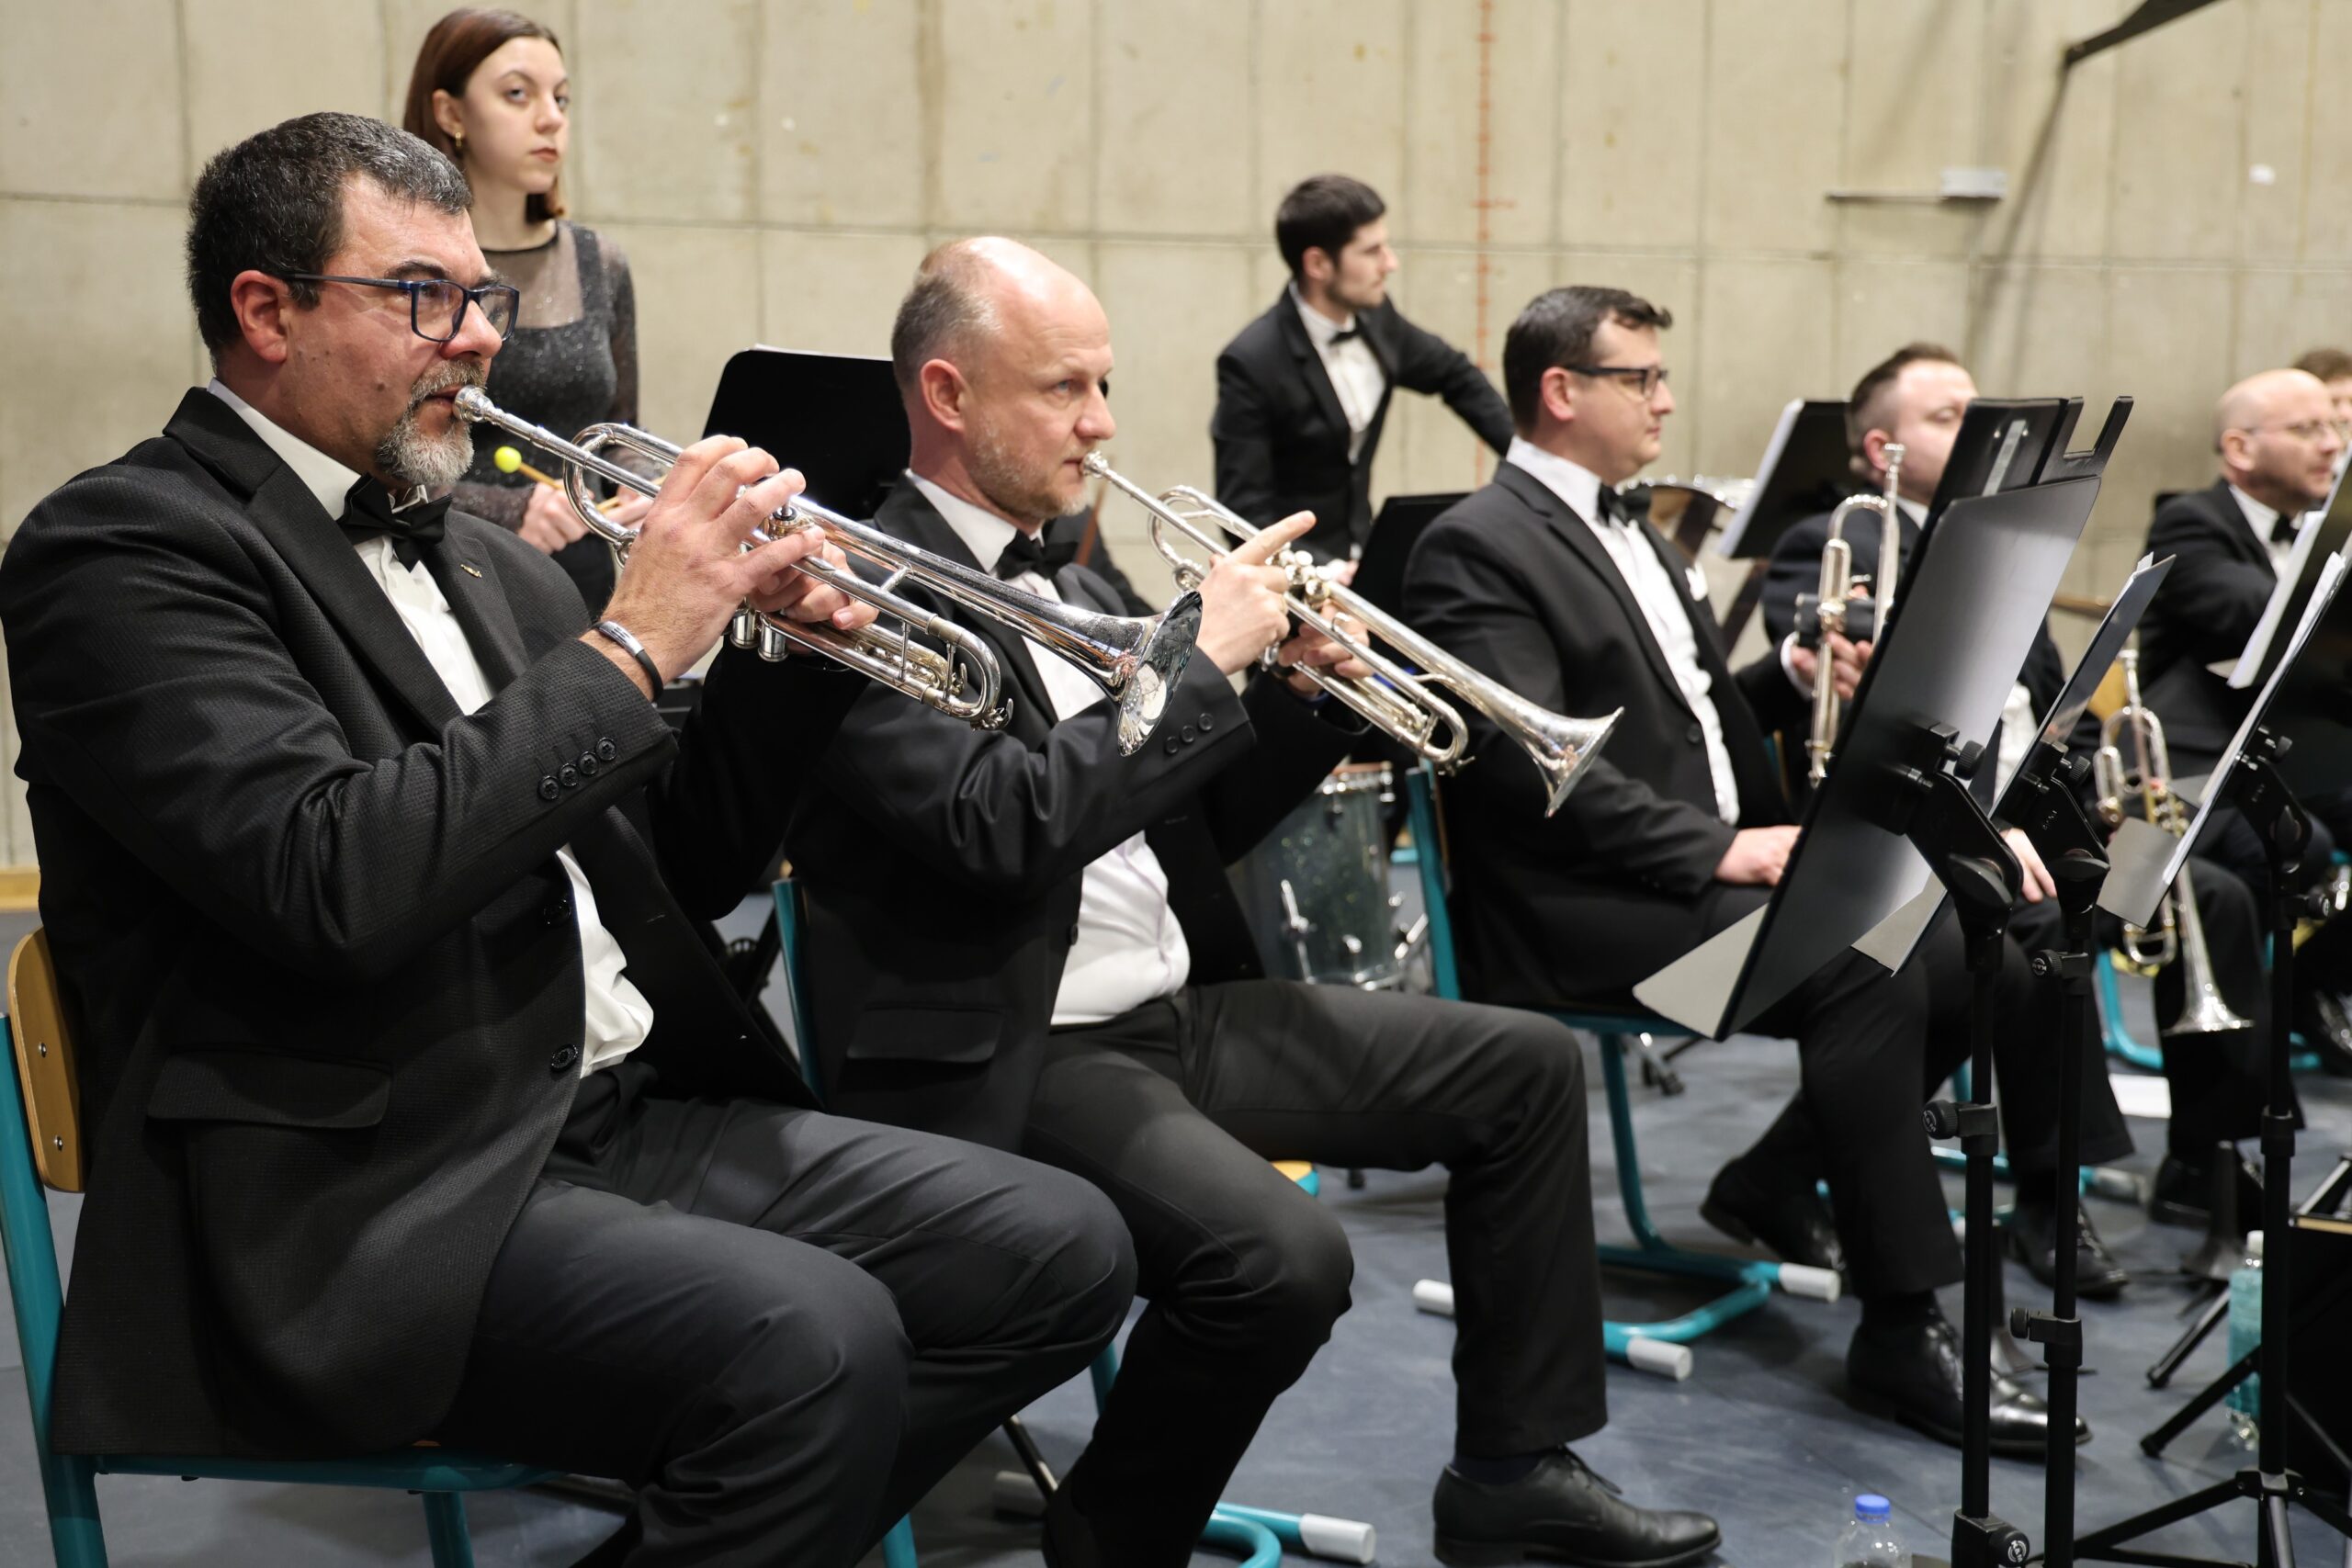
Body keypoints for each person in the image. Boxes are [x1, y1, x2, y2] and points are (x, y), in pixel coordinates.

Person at [0, 114, 1137, 1568]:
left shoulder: (490, 557)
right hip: (370, 1189)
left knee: (1063, 1249)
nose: (481, 336)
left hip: (613, 1108)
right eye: (423, 295)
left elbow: (684, 870)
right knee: (818, 1344)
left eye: (480, 295)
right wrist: (630, 643)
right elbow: (328, 881)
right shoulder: (123, 548)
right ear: (268, 312)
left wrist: (790, 663)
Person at [784, 238, 1721, 1568]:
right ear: (948, 394)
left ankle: (1514, 1472)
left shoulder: (1082, 583)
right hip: (1010, 1047)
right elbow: (1002, 830)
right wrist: (1198, 667)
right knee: (1281, 1258)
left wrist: (1296, 692)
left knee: (1520, 1069)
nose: (1102, 424)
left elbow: (1196, 824)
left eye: (1104, 386)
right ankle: (1113, 1543)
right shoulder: (855, 588)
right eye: (1064, 389)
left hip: (1170, 1011)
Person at [1405, 286, 2087, 1455]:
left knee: (1976, 948)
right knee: (1866, 959)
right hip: (1581, 908)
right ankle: (1903, 1324)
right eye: (1640, 378)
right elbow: (1527, 769)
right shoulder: (1477, 544)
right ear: (1561, 392)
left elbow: (1692, 718)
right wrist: (1718, 847)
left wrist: (1789, 672)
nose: (1665, 400)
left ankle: (1777, 1180)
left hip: (1693, 878)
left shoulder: (1641, 534)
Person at [1760, 343, 2265, 1282]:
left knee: (2208, 892)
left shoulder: (2004, 547)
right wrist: (1829, 644)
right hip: (1920, 839)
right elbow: (1816, 633)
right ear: (1881, 450)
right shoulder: (1838, 539)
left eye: (1978, 407)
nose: (1984, 429)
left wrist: (2093, 795)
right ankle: (2046, 1198)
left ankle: (2208, 1164)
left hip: (2031, 818)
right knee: (2037, 929)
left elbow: (2051, 710)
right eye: (1947, 416)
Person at [2136, 366, 2352, 1086]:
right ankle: (2245, 1070)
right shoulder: (2190, 521)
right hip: (2203, 763)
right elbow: (2267, 617)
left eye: (2335, 426)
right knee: (2296, 843)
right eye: (2309, 429)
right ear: (2240, 448)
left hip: (2296, 747)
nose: (2333, 444)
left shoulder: (2326, 529)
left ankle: (2316, 977)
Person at [404, 6, 643, 616]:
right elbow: (373, 446)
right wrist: (507, 510)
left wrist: (645, 489)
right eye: (518, 94)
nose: (551, 118)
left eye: (561, 98)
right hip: (448, 568)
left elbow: (618, 430)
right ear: (450, 113)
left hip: (580, 577)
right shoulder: (406, 268)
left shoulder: (600, 262)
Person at [1211, 174, 1513, 561]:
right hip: (1296, 576)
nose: (1390, 264)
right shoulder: (1252, 361)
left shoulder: (1378, 319)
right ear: (1318, 264)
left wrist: (1527, 462)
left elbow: (1456, 375)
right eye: (1372, 251)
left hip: (1363, 554)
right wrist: (1324, 570)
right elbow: (1241, 514)